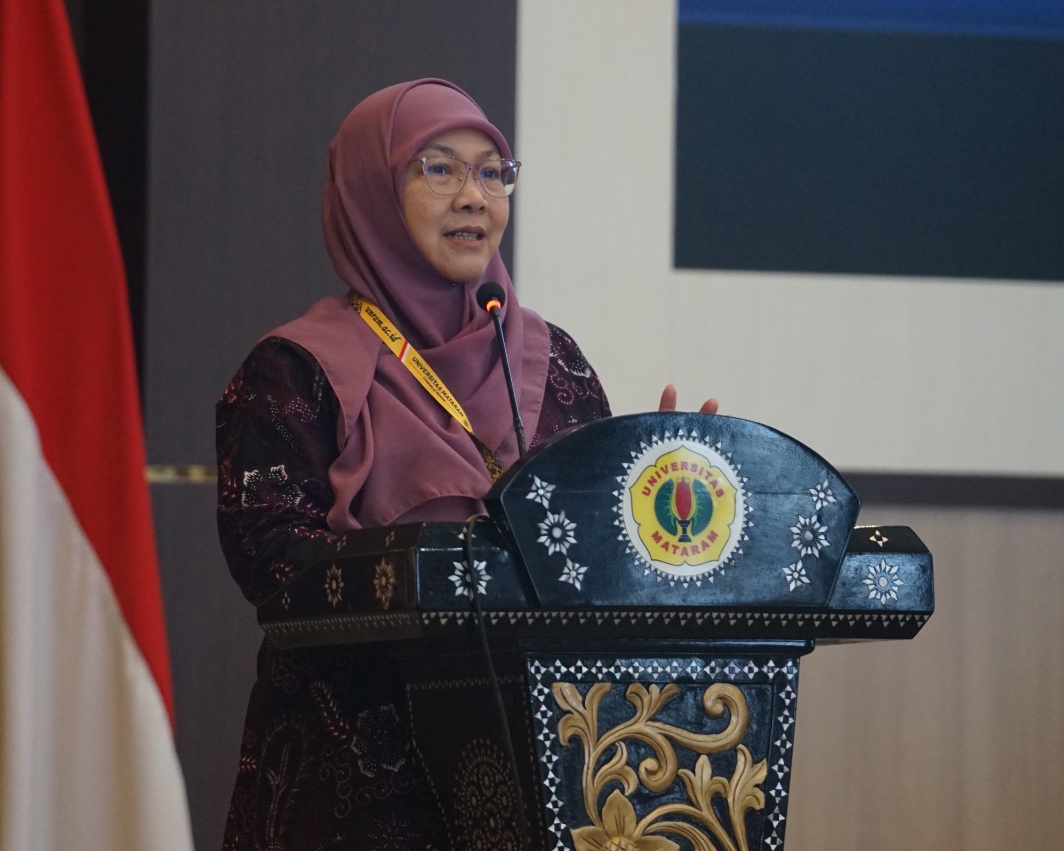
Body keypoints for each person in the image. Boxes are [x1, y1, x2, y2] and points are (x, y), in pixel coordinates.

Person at [215, 79, 715, 849]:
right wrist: (443, 567)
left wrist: (660, 491)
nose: (475, 197)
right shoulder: (294, 371)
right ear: (371, 192)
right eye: (439, 169)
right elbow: (272, 557)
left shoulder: (552, 361)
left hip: (546, 756)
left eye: (491, 172)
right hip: (358, 775)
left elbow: (590, 553)